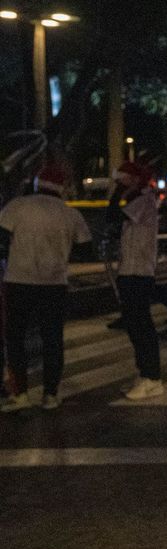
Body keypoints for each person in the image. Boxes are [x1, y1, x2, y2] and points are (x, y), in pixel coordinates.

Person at [0, 164, 92, 412]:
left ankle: (20, 393)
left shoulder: (18, 206)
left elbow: (1, 236)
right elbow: (85, 248)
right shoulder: (70, 215)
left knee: (15, 338)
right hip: (54, 283)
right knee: (52, 339)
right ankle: (50, 394)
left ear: (37, 183)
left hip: (19, 280)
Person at [112, 161, 165, 400]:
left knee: (142, 324)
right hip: (129, 269)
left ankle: (153, 377)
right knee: (133, 324)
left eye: (123, 180)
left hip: (140, 271)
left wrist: (116, 194)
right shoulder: (136, 199)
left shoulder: (144, 200)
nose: (119, 185)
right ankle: (144, 373)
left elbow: (113, 215)